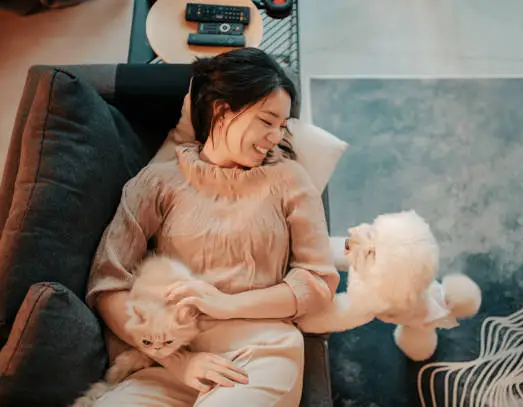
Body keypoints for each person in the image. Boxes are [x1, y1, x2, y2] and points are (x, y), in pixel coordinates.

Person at [85, 48, 340, 407]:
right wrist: (179, 362)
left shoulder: (288, 178)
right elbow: (109, 283)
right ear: (222, 110)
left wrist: (225, 304)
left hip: (258, 352)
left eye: (282, 126)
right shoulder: (158, 182)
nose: (274, 137)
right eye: (267, 122)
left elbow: (316, 281)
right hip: (162, 365)